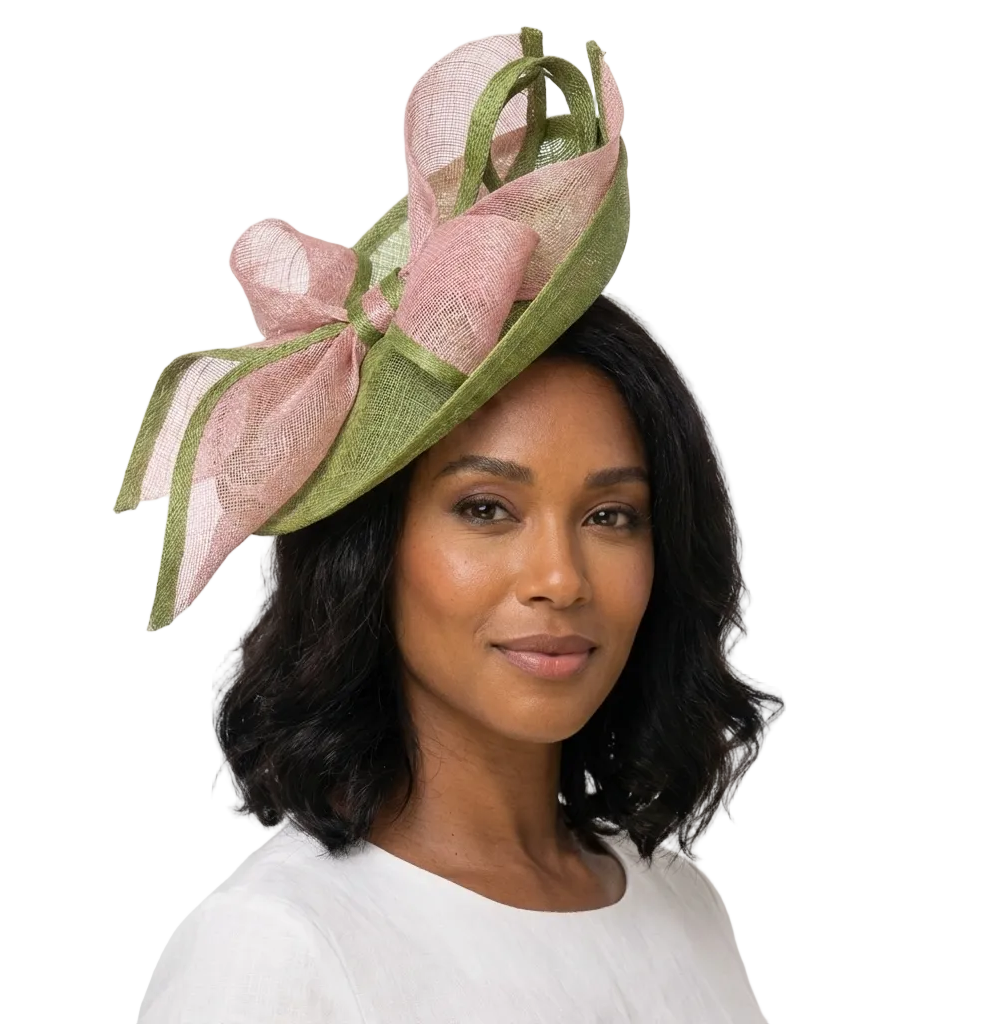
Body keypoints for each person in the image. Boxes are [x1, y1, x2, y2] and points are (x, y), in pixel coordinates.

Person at [120, 26, 782, 1024]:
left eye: (611, 514)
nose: (559, 576)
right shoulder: (276, 954)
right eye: (486, 508)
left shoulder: (680, 906)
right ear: (369, 552)